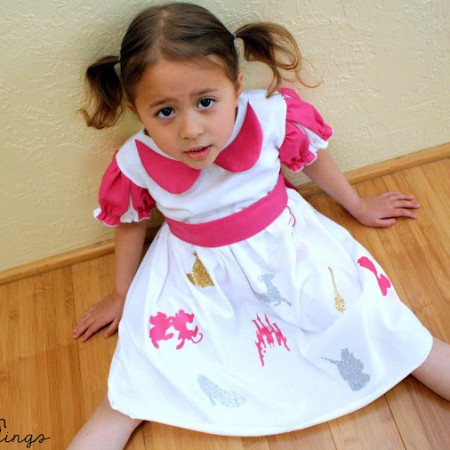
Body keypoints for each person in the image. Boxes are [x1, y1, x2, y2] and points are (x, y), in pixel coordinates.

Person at [69, 3, 449, 449]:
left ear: (236, 86)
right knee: (141, 378)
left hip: (287, 248)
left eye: (206, 102)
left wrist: (358, 205)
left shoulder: (270, 116)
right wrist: (122, 294)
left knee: (378, 324)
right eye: (165, 112)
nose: (191, 129)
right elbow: (131, 225)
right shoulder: (135, 161)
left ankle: (421, 357)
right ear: (136, 110)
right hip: (198, 275)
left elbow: (312, 161)